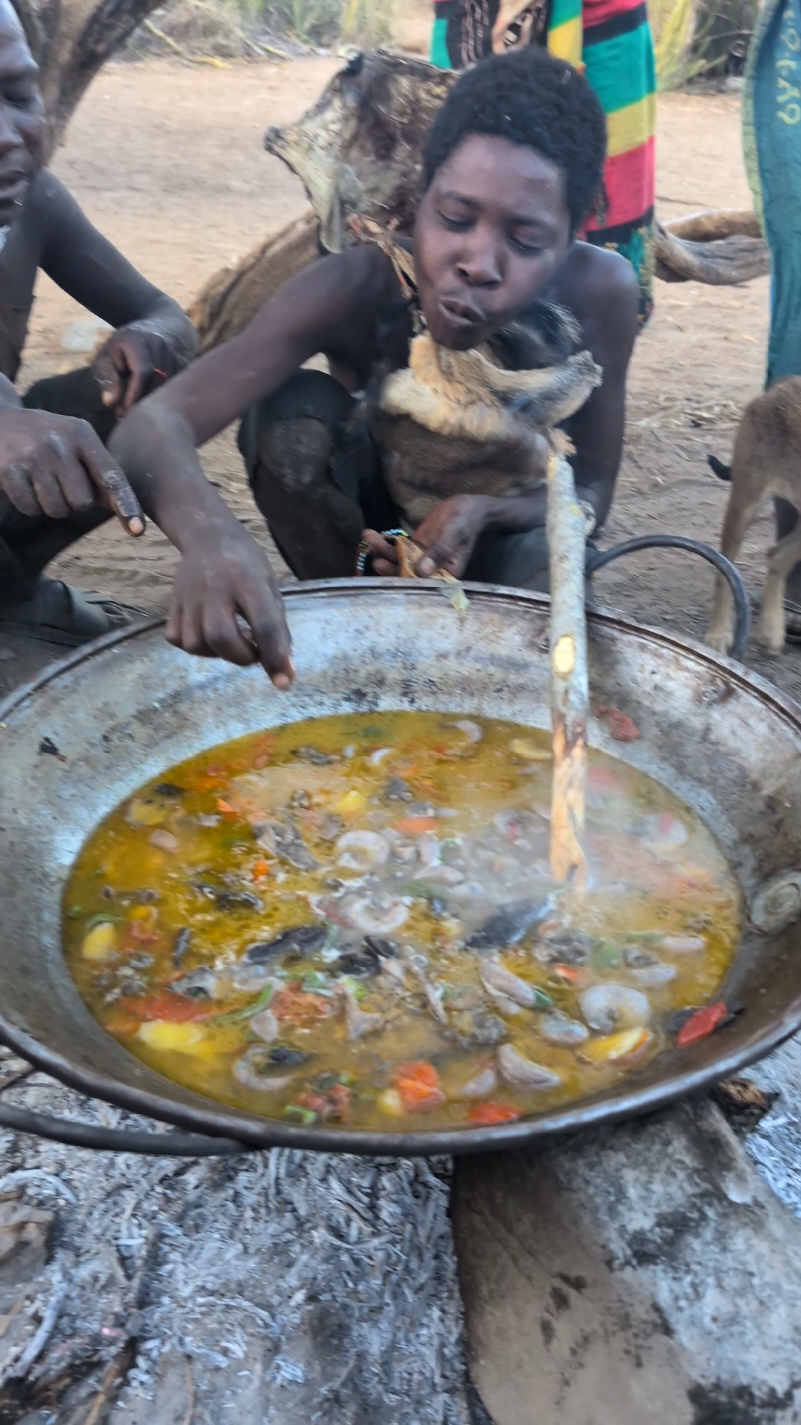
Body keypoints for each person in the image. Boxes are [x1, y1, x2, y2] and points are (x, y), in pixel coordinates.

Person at [110, 46, 639, 688]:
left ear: (568, 237)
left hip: (507, 547)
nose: (478, 261)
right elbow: (150, 427)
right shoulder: (357, 286)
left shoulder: (602, 292)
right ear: (420, 197)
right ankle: (355, 629)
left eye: (525, 242)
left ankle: (502, 680)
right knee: (288, 419)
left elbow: (591, 492)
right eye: (454, 218)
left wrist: (485, 512)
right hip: (372, 542)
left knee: (549, 567)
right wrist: (212, 537)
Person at [0, 0, 195, 644]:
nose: (7, 135)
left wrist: (151, 337)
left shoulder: (36, 205)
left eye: (17, 95)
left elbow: (168, 315)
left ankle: (10, 589)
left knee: (155, 383)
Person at [430, 0, 657, 327]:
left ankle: (578, 340)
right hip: (471, 14)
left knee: (597, 272)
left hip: (604, 24)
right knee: (460, 182)